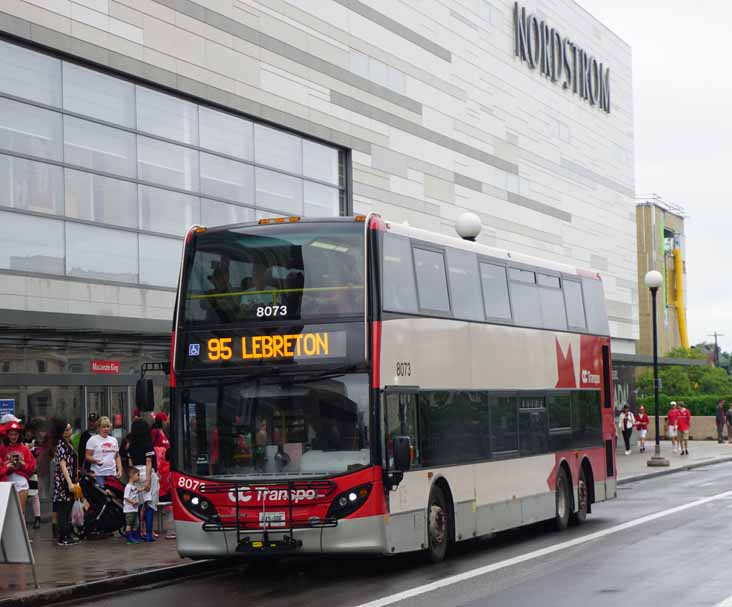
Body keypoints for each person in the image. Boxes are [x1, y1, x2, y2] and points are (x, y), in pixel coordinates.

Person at [127, 419, 159, 542]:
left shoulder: (131, 445)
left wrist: (132, 478)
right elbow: (149, 461)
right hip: (146, 472)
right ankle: (149, 534)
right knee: (150, 505)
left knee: (137, 505)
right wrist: (149, 480)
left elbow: (130, 463)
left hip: (135, 474)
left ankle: (138, 532)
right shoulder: (148, 444)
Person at [51, 418, 80, 546]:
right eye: (67, 429)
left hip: (70, 479)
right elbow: (62, 465)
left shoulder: (69, 443)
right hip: (63, 481)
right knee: (63, 509)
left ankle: (67, 534)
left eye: (70, 428)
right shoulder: (61, 445)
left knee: (68, 509)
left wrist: (75, 480)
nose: (70, 431)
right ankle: (62, 536)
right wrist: (69, 482)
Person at [4, 421, 36, 518]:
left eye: (15, 434)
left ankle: (21, 533)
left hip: (21, 483)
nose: (13, 437)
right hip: (6, 483)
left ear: (19, 435)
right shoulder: (2, 449)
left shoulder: (25, 449)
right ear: (7, 435)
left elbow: (32, 467)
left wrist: (23, 465)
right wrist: (7, 465)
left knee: (20, 514)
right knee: (7, 514)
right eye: (11, 434)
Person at [85, 416, 122, 488]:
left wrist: (120, 469)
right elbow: (87, 456)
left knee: (113, 496)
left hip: (112, 474)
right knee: (101, 496)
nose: (106, 429)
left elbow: (117, 456)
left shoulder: (113, 440)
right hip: (98, 474)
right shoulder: (93, 440)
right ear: (98, 428)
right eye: (103, 427)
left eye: (108, 426)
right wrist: (95, 461)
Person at [22, 421, 42, 529]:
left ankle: (37, 518)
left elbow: (38, 454)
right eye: (27, 432)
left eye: (31, 432)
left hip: (32, 471)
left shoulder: (36, 442)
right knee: (23, 495)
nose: (29, 434)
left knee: (34, 494)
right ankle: (22, 518)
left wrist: (31, 449)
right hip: (22, 471)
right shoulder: (20, 442)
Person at [123, 467, 142, 544]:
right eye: (138, 475)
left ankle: (135, 536)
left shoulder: (133, 486)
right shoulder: (128, 486)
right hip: (129, 509)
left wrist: (144, 488)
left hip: (135, 509)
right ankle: (129, 538)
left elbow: (137, 491)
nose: (139, 477)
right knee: (129, 524)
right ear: (132, 475)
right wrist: (132, 502)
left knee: (136, 523)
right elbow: (126, 497)